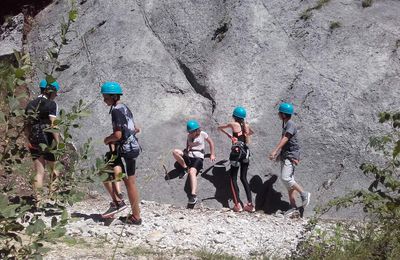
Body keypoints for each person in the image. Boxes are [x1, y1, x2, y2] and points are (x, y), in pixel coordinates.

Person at [100, 82, 142, 225]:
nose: (104, 100)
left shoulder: (116, 111)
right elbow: (135, 128)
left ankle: (118, 202)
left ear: (112, 96)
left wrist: (107, 139)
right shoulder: (125, 108)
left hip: (125, 149)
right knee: (131, 183)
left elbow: (118, 135)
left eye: (105, 97)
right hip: (132, 148)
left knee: (104, 172)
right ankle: (133, 214)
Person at [269, 102, 311, 215]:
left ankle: (304, 193)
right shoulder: (286, 123)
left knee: (286, 178)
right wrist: (279, 155)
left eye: (279, 112)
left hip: (291, 155)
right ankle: (293, 207)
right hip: (286, 154)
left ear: (283, 114)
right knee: (289, 184)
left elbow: (286, 139)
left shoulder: (290, 124)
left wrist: (275, 150)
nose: (278, 114)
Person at [25, 79, 61, 203]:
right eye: (56, 92)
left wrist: (28, 139)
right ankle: (52, 199)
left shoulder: (30, 104)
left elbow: (27, 125)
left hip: (33, 138)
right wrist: (58, 142)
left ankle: (38, 201)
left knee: (39, 172)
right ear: (50, 91)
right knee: (54, 169)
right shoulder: (51, 104)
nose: (56, 95)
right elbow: (53, 124)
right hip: (47, 138)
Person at [218, 106, 255, 212]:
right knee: (243, 178)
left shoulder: (233, 124)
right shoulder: (246, 126)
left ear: (234, 116)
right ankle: (250, 204)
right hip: (245, 153)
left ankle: (237, 204)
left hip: (236, 153)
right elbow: (251, 133)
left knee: (233, 178)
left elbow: (220, 127)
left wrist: (229, 135)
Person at [172, 120, 216, 205]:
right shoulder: (189, 135)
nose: (190, 133)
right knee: (175, 152)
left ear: (197, 130)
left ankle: (193, 195)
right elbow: (188, 145)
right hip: (189, 155)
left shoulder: (203, 134)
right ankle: (185, 168)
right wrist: (186, 151)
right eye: (189, 132)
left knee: (192, 172)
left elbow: (211, 142)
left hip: (198, 157)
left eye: (192, 131)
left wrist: (212, 154)